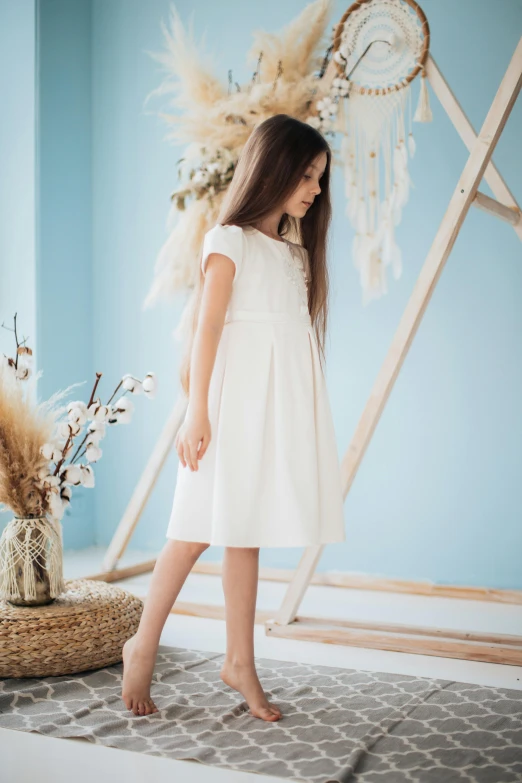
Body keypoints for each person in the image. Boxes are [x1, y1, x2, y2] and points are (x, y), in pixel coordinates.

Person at [121, 113, 346, 722]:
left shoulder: (295, 250)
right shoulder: (229, 240)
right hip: (225, 407)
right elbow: (208, 327)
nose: (315, 190)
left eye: (320, 179)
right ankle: (141, 643)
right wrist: (197, 412)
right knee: (193, 530)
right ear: (272, 169)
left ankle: (239, 661)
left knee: (242, 532)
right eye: (305, 176)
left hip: (271, 409)